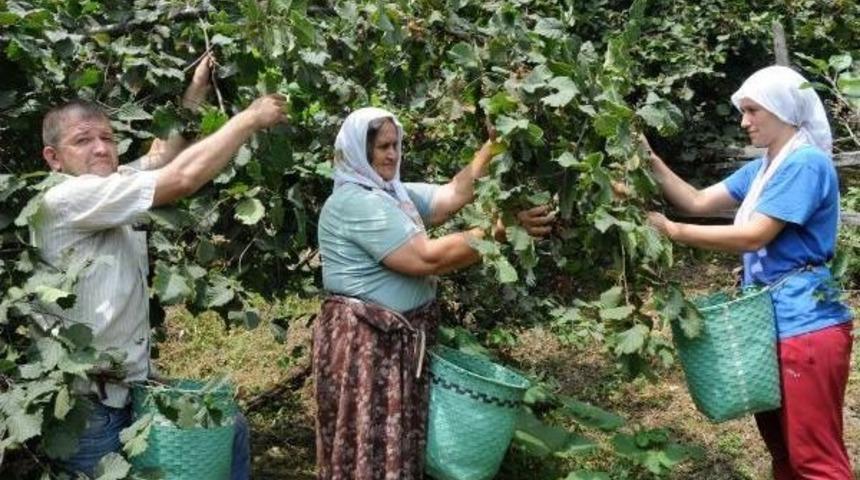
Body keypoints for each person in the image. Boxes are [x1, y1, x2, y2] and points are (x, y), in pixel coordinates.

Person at [30, 53, 288, 479]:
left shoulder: (111, 186)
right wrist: (248, 120)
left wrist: (197, 88)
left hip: (128, 388)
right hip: (86, 406)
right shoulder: (65, 198)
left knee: (232, 429)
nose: (101, 148)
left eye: (108, 138)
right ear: (54, 158)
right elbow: (181, 178)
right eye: (83, 140)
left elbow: (162, 156)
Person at [313, 107, 553, 479]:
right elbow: (425, 258)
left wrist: (494, 145)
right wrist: (499, 231)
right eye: (382, 147)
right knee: (370, 442)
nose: (393, 154)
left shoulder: (392, 193)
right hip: (368, 345)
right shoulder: (355, 203)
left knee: (390, 441)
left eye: (396, 145)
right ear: (359, 150)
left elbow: (452, 194)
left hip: (392, 344)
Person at [646, 65, 855, 479]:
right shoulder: (765, 169)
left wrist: (671, 231)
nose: (744, 122)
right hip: (769, 324)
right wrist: (648, 159)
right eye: (743, 111)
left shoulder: (805, 164)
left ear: (783, 110)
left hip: (805, 326)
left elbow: (754, 236)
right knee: (784, 453)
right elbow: (696, 200)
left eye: (753, 111)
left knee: (814, 459)